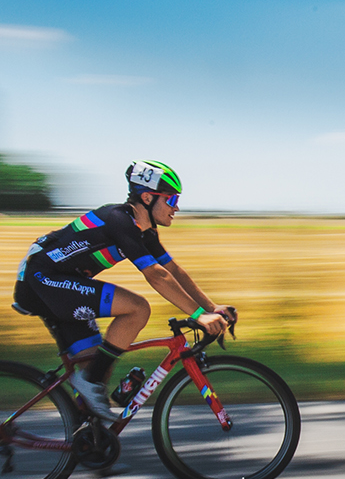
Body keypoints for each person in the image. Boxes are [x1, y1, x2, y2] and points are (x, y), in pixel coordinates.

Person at [14, 160, 231, 421]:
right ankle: (88, 388)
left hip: (60, 283)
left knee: (96, 373)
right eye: (171, 199)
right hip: (42, 280)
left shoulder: (145, 232)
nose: (176, 207)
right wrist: (197, 315)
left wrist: (211, 308)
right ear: (148, 198)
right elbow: (156, 275)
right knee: (137, 308)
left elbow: (173, 270)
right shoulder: (119, 220)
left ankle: (87, 442)